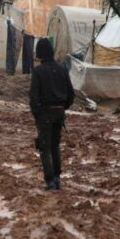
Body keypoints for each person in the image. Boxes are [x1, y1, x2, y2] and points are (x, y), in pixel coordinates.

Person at [30, 38, 75, 191]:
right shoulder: (62, 69)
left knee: (44, 147)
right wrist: (63, 108)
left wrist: (37, 115)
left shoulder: (38, 72)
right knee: (55, 146)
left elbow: (33, 97)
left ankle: (49, 181)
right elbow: (71, 94)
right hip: (59, 112)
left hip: (45, 114)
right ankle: (57, 178)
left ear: (40, 53)